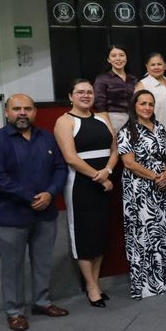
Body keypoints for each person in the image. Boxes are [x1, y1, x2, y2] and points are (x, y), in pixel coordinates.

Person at [0, 94, 70, 331]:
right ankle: (14, 312)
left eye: (28, 108)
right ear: (7, 112)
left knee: (42, 261)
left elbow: (60, 168)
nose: (22, 113)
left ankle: (41, 302)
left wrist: (50, 193)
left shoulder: (47, 137)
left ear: (34, 112)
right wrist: (30, 197)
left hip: (45, 213)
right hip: (11, 216)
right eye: (17, 108)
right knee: (12, 267)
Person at [53, 79, 117, 307]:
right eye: (80, 92)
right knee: (83, 236)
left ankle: (95, 282)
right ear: (71, 96)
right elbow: (71, 157)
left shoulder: (103, 118)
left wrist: (108, 171)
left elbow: (114, 149)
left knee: (99, 234)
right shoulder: (64, 121)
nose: (86, 95)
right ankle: (90, 286)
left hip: (105, 181)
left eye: (89, 92)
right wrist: (98, 176)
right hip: (81, 185)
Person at [117, 90, 166, 299]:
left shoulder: (160, 128)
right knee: (144, 234)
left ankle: (165, 278)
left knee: (162, 231)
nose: (147, 107)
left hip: (162, 186)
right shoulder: (127, 131)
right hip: (139, 190)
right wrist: (155, 176)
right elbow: (129, 163)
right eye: (142, 103)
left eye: (150, 104)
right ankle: (147, 284)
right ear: (134, 106)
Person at [94, 45, 138, 130]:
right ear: (108, 59)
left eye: (121, 55)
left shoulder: (133, 79)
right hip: (112, 118)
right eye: (114, 56)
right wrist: (108, 124)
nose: (118, 59)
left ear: (126, 58)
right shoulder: (102, 79)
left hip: (134, 118)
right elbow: (99, 104)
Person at [135, 52, 166, 129]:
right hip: (152, 130)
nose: (156, 67)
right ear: (147, 67)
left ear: (165, 66)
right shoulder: (142, 85)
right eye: (153, 65)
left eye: (159, 64)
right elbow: (136, 111)